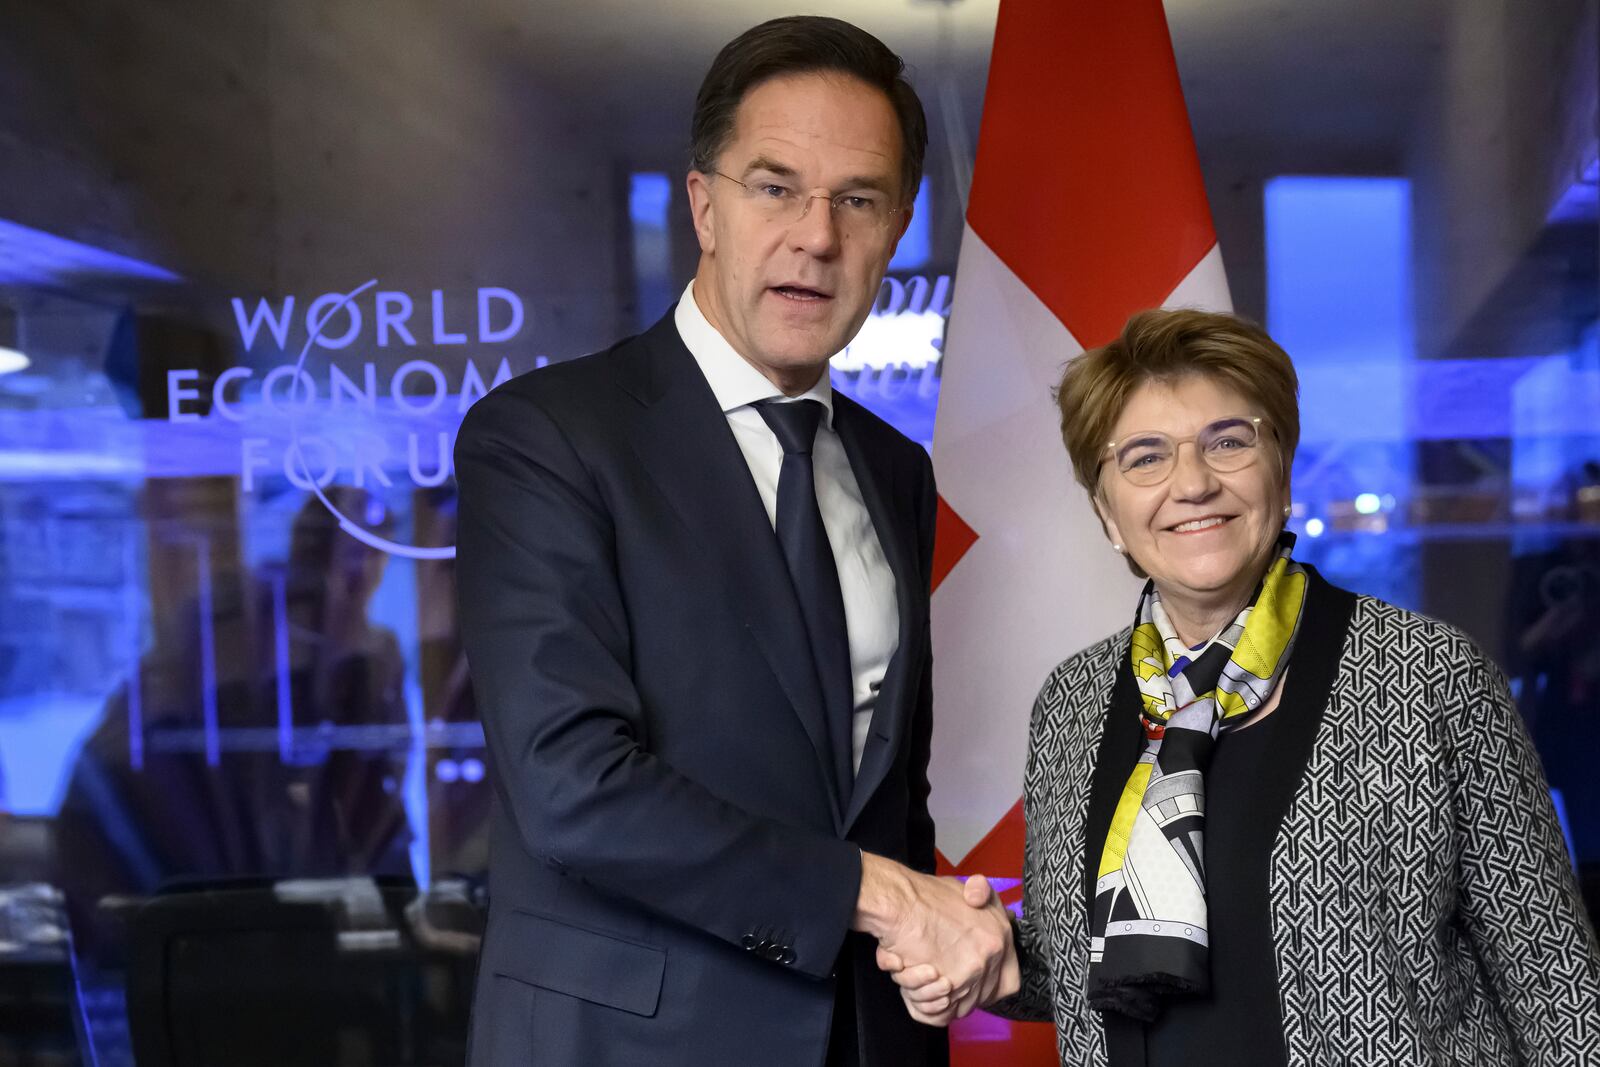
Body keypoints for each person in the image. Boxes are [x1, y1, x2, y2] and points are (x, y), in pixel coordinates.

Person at [453, 16, 1013, 1067]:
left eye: (860, 199)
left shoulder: (896, 471)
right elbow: (572, 782)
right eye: (774, 186)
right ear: (703, 205)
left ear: (896, 229)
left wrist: (942, 941)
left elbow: (881, 795)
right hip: (625, 1044)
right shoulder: (547, 438)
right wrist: (882, 894)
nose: (816, 234)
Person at [888, 309, 1600, 1064]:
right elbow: (1096, 956)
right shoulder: (1074, 702)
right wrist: (999, 962)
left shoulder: (1430, 674)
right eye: (1145, 457)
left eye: (1228, 440)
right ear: (1107, 514)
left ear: (1282, 470)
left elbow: (1553, 979)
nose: (1192, 483)